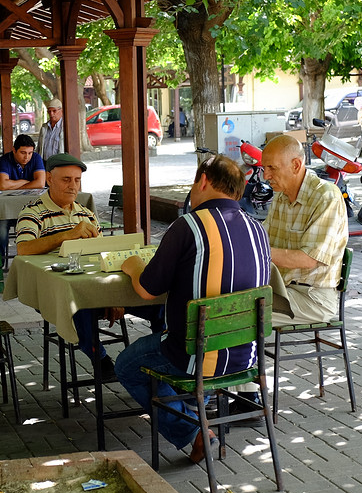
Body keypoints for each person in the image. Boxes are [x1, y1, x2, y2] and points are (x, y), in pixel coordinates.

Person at [114, 154, 271, 463]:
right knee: (166, 348)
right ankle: (198, 411)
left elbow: (147, 289)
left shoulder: (188, 226)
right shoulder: (258, 230)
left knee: (128, 365)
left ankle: (194, 429)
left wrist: (133, 266)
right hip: (246, 355)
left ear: (203, 181)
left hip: (194, 356)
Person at [15, 153, 163, 381]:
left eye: (76, 180)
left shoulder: (86, 214)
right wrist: (68, 235)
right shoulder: (32, 212)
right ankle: (101, 359)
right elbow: (23, 249)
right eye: (66, 179)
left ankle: (164, 359)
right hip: (58, 293)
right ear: (49, 180)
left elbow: (107, 254)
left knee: (160, 304)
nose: (73, 186)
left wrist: (113, 297)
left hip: (98, 287)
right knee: (79, 304)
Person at [261, 133, 348, 323]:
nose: (266, 176)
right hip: (281, 289)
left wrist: (255, 252)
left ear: (296, 165)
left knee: (237, 313)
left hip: (313, 298)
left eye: (271, 168)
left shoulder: (326, 197)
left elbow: (309, 259)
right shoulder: (281, 196)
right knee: (220, 298)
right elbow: (263, 240)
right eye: (263, 168)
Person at [0, 134, 46, 259]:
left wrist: (15, 184)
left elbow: (40, 183)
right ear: (14, 150)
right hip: (6, 211)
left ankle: (34, 260)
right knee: (0, 230)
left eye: (30, 153)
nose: (27, 157)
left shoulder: (36, 158)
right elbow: (2, 185)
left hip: (33, 210)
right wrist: (27, 181)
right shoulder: (4, 160)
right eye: (22, 152)